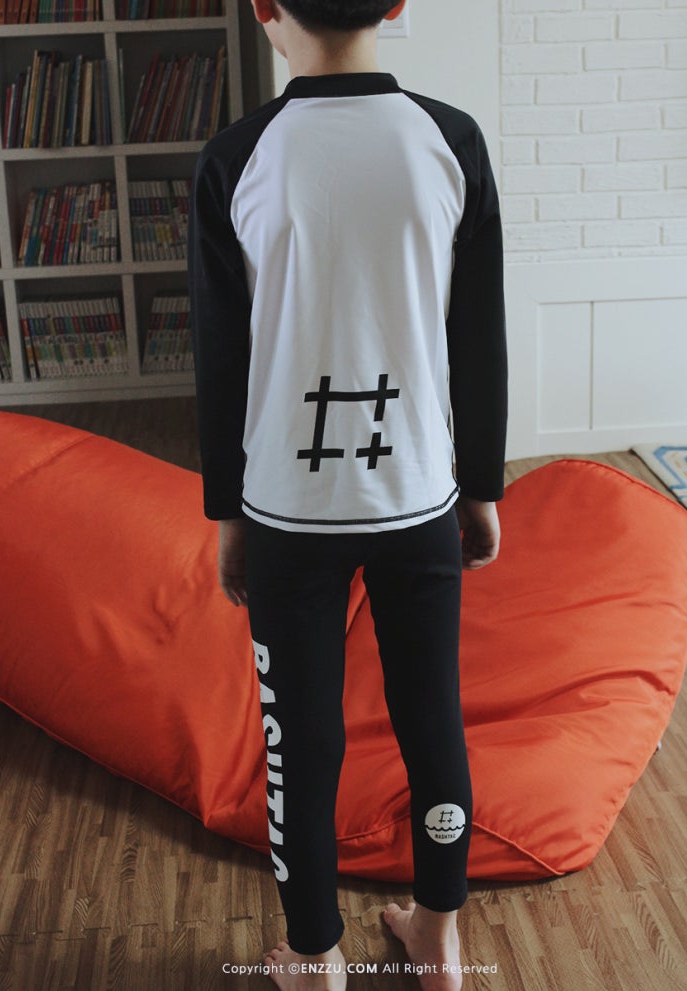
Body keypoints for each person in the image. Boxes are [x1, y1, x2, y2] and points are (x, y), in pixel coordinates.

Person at [188, 1, 507, 987]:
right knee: (430, 714)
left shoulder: (237, 157)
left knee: (300, 734)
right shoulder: (449, 141)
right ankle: (439, 934)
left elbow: (221, 357)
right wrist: (480, 487)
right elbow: (477, 332)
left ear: (264, 8)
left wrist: (227, 512)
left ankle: (312, 950)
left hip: (288, 506)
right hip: (416, 493)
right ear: (398, 3)